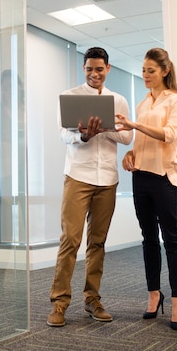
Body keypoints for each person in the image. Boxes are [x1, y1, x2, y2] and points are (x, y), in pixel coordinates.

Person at [47, 47, 133, 327]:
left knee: (97, 242)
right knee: (70, 240)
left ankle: (92, 299)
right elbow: (62, 134)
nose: (94, 74)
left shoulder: (118, 100)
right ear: (83, 69)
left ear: (108, 68)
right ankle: (59, 303)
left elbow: (129, 136)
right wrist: (83, 136)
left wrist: (106, 128)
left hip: (107, 179)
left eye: (99, 69)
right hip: (78, 176)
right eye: (89, 69)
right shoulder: (70, 97)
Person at [116, 48, 177, 331]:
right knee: (148, 238)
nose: (145, 76)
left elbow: (169, 135)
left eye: (151, 71)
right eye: (143, 71)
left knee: (171, 239)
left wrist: (135, 125)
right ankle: (153, 294)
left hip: (165, 177)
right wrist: (130, 154)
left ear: (165, 71)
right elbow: (142, 141)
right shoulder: (144, 102)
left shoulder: (176, 101)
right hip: (141, 178)